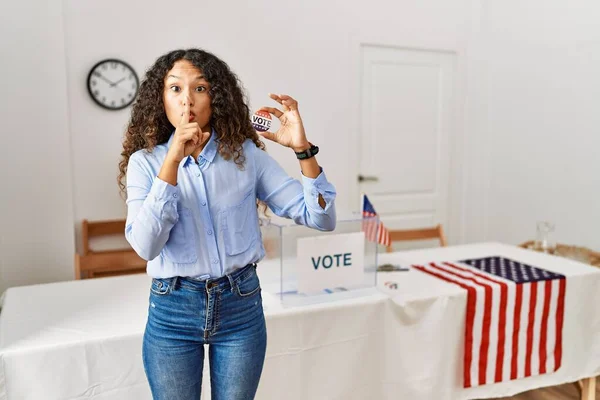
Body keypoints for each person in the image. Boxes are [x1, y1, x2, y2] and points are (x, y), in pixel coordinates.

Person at [117, 48, 337, 400]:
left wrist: (303, 151)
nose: (187, 99)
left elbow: (321, 218)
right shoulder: (146, 163)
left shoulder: (245, 155)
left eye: (200, 88)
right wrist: (172, 160)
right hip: (173, 311)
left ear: (216, 97)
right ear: (160, 98)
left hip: (240, 307)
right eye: (175, 88)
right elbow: (146, 246)